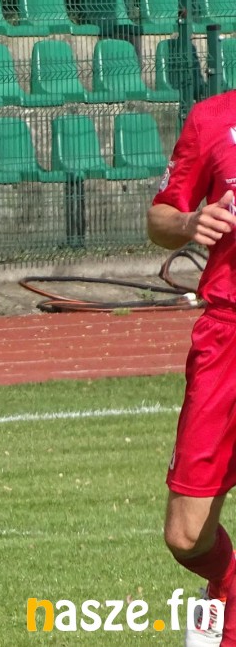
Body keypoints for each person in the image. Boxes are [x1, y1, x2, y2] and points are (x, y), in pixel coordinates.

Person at [148, 91, 236, 646]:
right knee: (185, 536)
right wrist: (189, 221)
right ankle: (229, 584)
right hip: (226, 339)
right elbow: (159, 218)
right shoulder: (213, 118)